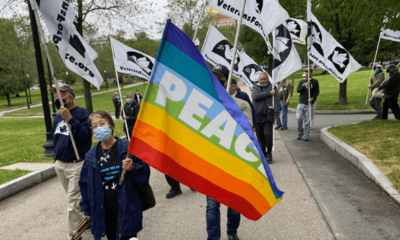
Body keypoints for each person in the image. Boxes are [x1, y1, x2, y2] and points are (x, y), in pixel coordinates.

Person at [79, 111, 150, 240]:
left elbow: (145, 173)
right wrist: (87, 210)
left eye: (102, 123)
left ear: (111, 126)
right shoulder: (91, 156)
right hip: (104, 209)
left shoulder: (127, 149)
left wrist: (133, 167)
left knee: (127, 236)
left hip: (126, 206)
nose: (98, 128)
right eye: (94, 126)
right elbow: (85, 184)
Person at [205, 65, 253, 240]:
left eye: (221, 79)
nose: (217, 82)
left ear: (228, 82)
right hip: (212, 161)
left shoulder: (242, 104)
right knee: (212, 205)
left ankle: (232, 232)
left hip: (235, 161)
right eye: (214, 79)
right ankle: (213, 237)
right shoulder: (205, 102)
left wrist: (229, 110)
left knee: (234, 204)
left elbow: (248, 131)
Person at [49, 85, 92, 240]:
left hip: (76, 164)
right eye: (55, 97)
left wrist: (71, 119)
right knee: (76, 200)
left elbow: (86, 136)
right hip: (60, 165)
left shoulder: (82, 113)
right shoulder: (58, 117)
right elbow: (55, 138)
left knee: (72, 203)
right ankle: (89, 218)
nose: (56, 100)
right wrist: (56, 159)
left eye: (60, 97)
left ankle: (73, 235)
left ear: (70, 98)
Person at [251, 72, 279, 162]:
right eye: (261, 79)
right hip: (257, 115)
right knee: (260, 136)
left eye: (264, 79)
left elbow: (277, 101)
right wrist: (269, 93)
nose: (263, 81)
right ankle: (262, 152)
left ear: (267, 79)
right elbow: (255, 97)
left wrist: (275, 113)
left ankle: (269, 152)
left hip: (268, 115)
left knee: (267, 134)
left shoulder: (273, 87)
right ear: (259, 79)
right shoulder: (255, 87)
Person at [296, 69, 319, 141]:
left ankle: (306, 135)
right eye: (306, 72)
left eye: (308, 72)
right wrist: (305, 85)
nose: (307, 73)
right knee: (298, 118)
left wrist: (312, 98)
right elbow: (298, 90)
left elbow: (317, 91)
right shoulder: (301, 81)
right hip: (301, 103)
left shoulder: (315, 81)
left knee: (307, 120)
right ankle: (300, 132)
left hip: (309, 104)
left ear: (311, 73)